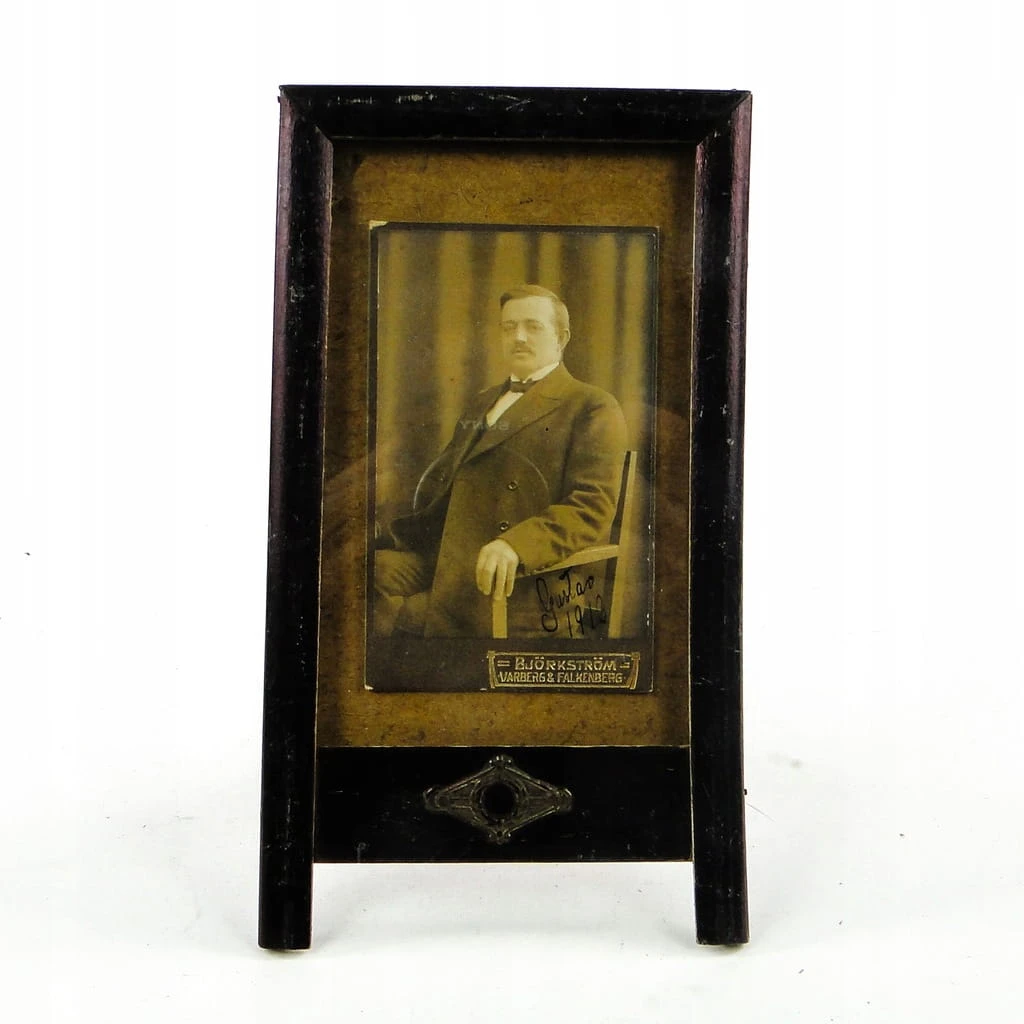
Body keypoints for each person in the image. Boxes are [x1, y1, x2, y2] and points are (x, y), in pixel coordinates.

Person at [374, 284, 627, 637]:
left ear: (561, 337)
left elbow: (591, 506)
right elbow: (444, 487)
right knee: (361, 573)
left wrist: (515, 544)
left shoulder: (591, 405)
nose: (518, 337)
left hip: (518, 578)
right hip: (447, 558)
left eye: (533, 326)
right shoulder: (483, 401)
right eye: (509, 327)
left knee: (406, 622)